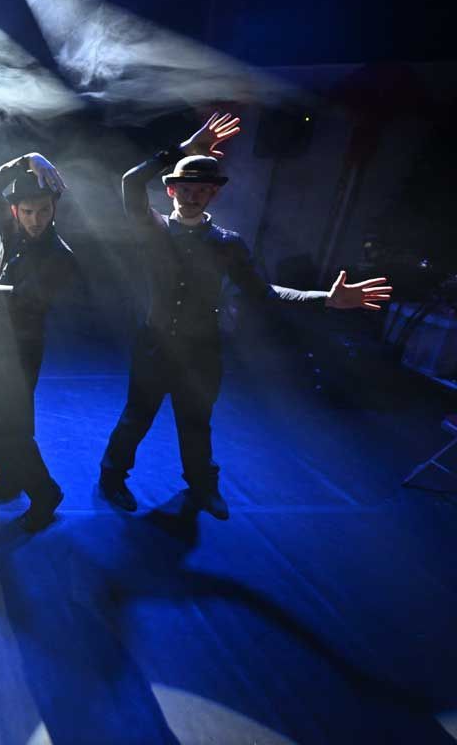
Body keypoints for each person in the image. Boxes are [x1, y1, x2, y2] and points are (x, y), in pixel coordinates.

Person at [98, 113, 393, 519]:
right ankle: (112, 478)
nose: (192, 196)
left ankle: (202, 486)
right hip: (155, 345)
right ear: (171, 190)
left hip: (203, 350)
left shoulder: (228, 244)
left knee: (196, 421)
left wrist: (325, 297)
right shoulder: (155, 229)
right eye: (186, 188)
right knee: (136, 417)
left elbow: (263, 293)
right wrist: (181, 149)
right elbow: (131, 182)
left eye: (202, 189)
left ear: (213, 194)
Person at [0, 153, 77, 532]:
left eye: (43, 210)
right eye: (28, 211)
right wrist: (25, 161)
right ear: (15, 211)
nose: (36, 219)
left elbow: (24, 299)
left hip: (21, 348)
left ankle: (45, 492)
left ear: (53, 209)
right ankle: (8, 477)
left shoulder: (60, 255)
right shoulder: (11, 230)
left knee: (14, 426)